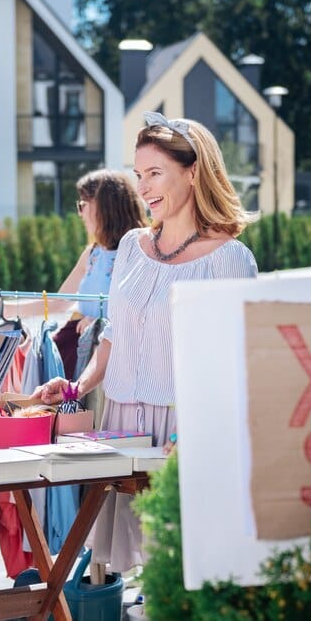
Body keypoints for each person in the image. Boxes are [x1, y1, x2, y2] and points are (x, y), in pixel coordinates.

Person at [32, 111, 258, 574]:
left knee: (181, 564)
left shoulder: (231, 259)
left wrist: (196, 431)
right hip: (120, 425)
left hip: (181, 429)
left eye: (155, 173)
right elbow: (115, 333)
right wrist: (76, 386)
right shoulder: (133, 247)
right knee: (132, 567)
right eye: (138, 175)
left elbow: (234, 364)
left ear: (193, 171)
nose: (144, 187)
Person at [6, 169, 148, 378]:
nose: (80, 213)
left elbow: (141, 310)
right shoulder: (92, 254)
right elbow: (58, 302)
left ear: (104, 206)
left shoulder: (139, 252)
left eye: (83, 204)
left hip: (113, 359)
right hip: (80, 348)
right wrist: (3, 308)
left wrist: (99, 322)